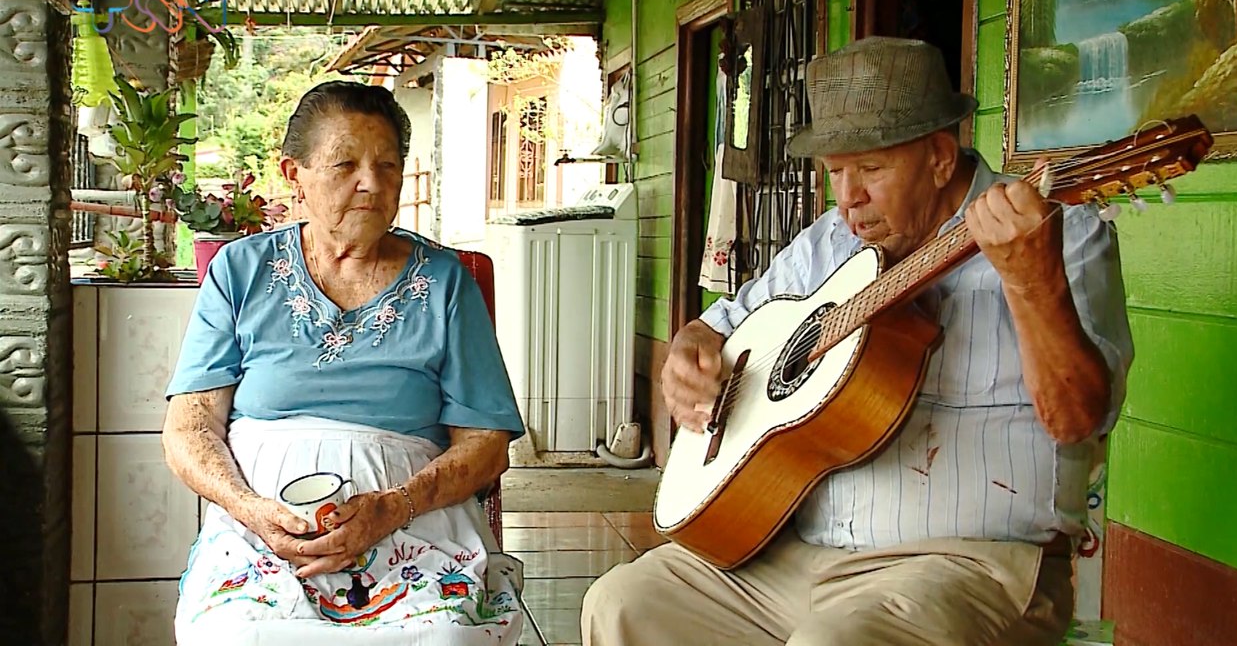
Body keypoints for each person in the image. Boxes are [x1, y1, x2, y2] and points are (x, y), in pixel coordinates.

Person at [581, 37, 1134, 645]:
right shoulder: (829, 245)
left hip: (966, 568)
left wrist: (1033, 284)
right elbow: (723, 324)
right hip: (795, 558)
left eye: (871, 169)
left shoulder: (1058, 238)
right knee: (623, 603)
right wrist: (690, 350)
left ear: (942, 159)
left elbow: (1080, 419)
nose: (849, 197)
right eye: (837, 172)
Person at [162, 81, 527, 645]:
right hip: (266, 531)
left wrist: (394, 507)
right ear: (294, 173)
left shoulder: (446, 282)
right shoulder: (240, 270)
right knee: (234, 632)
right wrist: (248, 508)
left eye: (388, 165)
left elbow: (486, 443)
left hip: (414, 521)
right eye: (344, 164)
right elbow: (189, 426)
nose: (371, 183)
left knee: (445, 636)